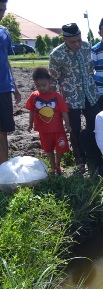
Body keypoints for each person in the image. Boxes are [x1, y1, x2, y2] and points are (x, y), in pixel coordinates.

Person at [49, 23, 100, 174]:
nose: (77, 44)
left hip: (90, 95)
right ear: (64, 39)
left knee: (95, 125)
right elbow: (52, 80)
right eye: (73, 42)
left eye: (79, 40)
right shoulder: (56, 55)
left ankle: (94, 155)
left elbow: (91, 69)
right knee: (75, 130)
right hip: (71, 100)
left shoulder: (86, 47)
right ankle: (80, 160)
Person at [25, 67, 71, 175]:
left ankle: (58, 164)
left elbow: (64, 111)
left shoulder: (56, 96)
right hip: (43, 130)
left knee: (61, 148)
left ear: (50, 82)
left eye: (44, 85)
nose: (41, 88)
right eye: (38, 86)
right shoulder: (34, 96)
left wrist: (67, 123)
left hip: (58, 129)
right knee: (48, 149)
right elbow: (31, 110)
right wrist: (30, 123)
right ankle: (52, 167)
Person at [0, 0, 22, 165]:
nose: (1, 14)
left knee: (2, 132)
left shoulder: (5, 33)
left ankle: (3, 170)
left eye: (3, 10)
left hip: (3, 89)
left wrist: (14, 86)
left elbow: (6, 61)